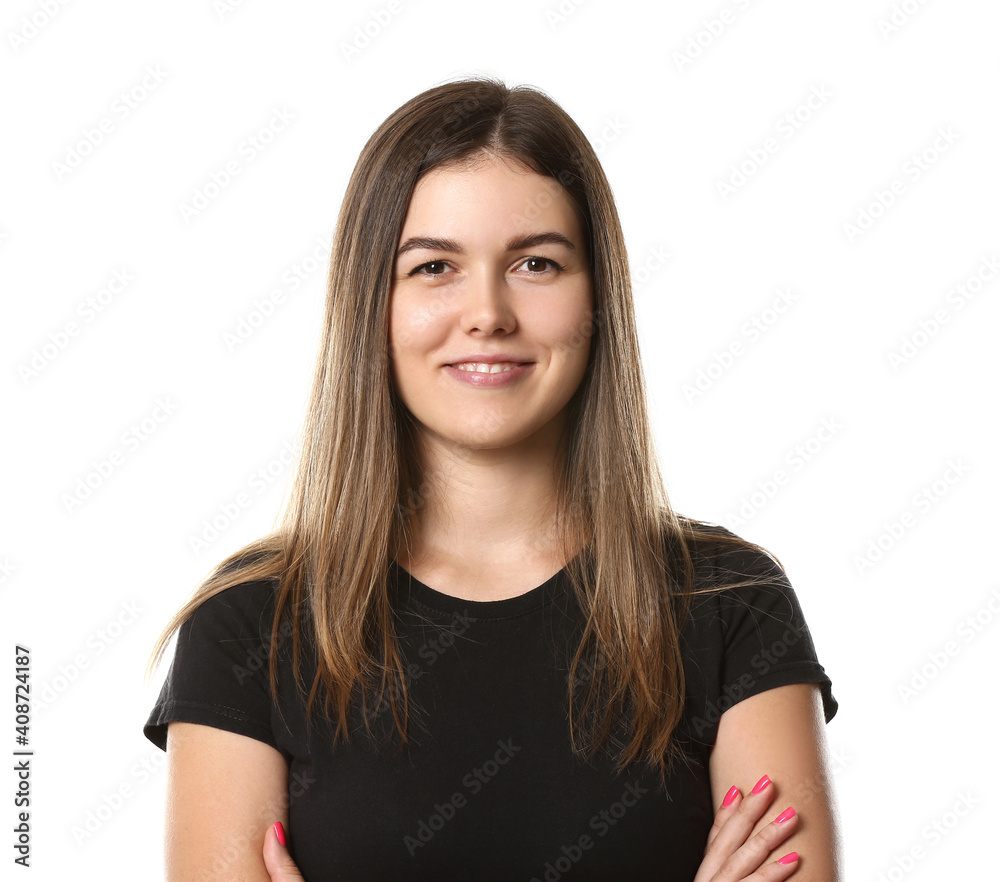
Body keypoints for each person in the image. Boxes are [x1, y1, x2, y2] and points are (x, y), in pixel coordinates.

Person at [144, 76, 841, 881]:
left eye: (536, 263)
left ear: (597, 301)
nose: (488, 312)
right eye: (434, 266)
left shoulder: (731, 605)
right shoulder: (249, 624)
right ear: (371, 303)